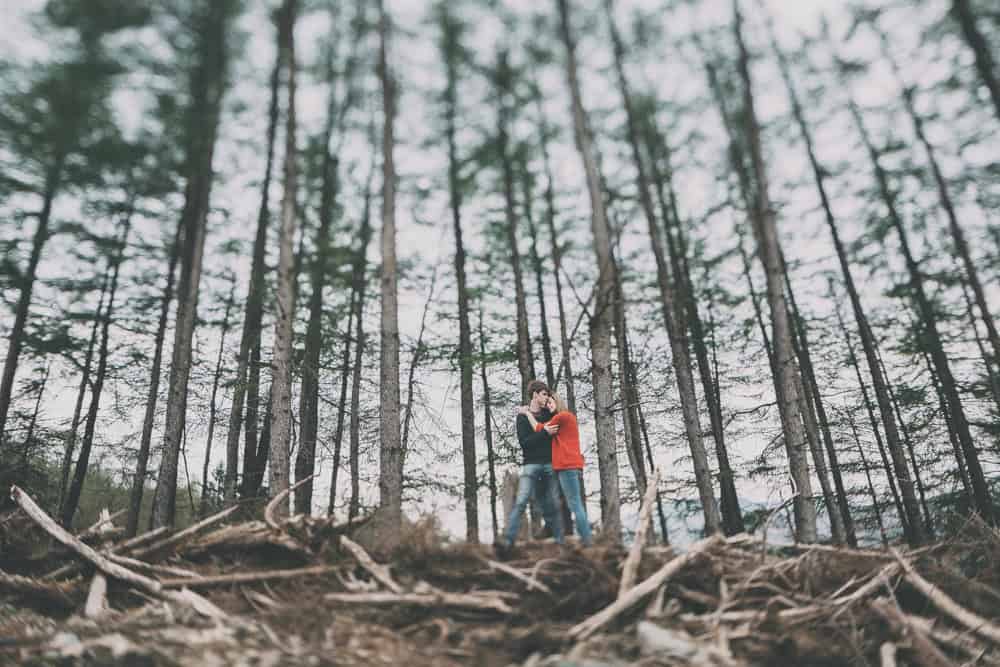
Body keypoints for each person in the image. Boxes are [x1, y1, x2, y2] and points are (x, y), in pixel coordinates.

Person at [495, 379, 564, 557]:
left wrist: (546, 431)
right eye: (544, 394)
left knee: (552, 502)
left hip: (549, 463)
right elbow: (525, 443)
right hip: (531, 464)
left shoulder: (548, 415)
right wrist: (543, 433)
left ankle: (559, 543)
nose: (547, 397)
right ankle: (508, 540)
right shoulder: (522, 417)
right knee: (521, 501)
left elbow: (554, 435)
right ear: (535, 395)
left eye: (548, 395)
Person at [521, 391, 593, 547]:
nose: (548, 405)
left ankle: (587, 541)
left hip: (568, 466)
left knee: (575, 504)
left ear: (558, 402)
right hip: (567, 467)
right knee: (569, 503)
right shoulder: (564, 418)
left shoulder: (562, 417)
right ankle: (576, 538)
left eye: (551, 402)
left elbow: (539, 428)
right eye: (547, 404)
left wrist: (527, 413)